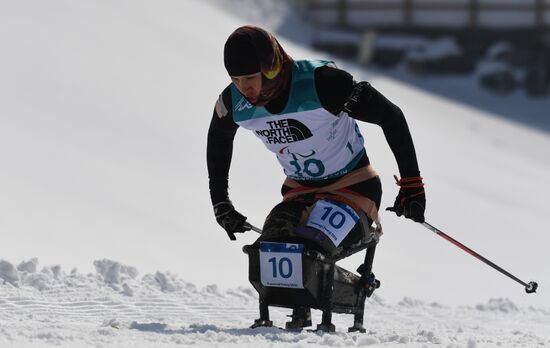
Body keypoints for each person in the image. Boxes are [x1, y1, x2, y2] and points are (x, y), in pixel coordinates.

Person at [207, 25, 425, 243]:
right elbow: (219, 139)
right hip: (299, 191)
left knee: (309, 252)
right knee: (266, 254)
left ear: (270, 67)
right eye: (235, 80)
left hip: (354, 186)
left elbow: (391, 116)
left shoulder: (323, 83)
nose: (244, 89)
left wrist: (412, 184)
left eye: (249, 78)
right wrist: (221, 202)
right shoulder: (233, 102)